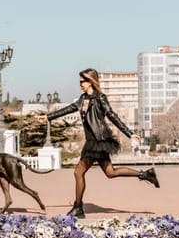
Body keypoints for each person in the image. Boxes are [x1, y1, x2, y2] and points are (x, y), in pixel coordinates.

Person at [42, 68, 160, 219]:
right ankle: (146, 174)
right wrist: (48, 117)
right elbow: (68, 109)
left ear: (91, 81)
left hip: (99, 141)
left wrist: (130, 134)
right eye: (80, 82)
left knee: (78, 172)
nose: (80, 85)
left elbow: (112, 116)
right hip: (92, 141)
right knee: (110, 172)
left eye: (82, 82)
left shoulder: (100, 98)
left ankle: (78, 207)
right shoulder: (82, 99)